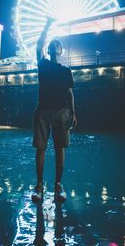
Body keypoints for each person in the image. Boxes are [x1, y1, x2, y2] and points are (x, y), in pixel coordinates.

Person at [32, 17, 77, 202]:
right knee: (41, 148)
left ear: (61, 51)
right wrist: (47, 25)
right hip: (43, 111)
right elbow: (39, 44)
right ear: (49, 50)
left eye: (57, 44)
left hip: (62, 111)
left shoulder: (66, 71)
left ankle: (58, 185)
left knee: (60, 149)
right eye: (52, 44)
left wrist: (73, 112)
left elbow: (70, 93)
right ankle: (40, 186)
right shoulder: (42, 64)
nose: (53, 45)